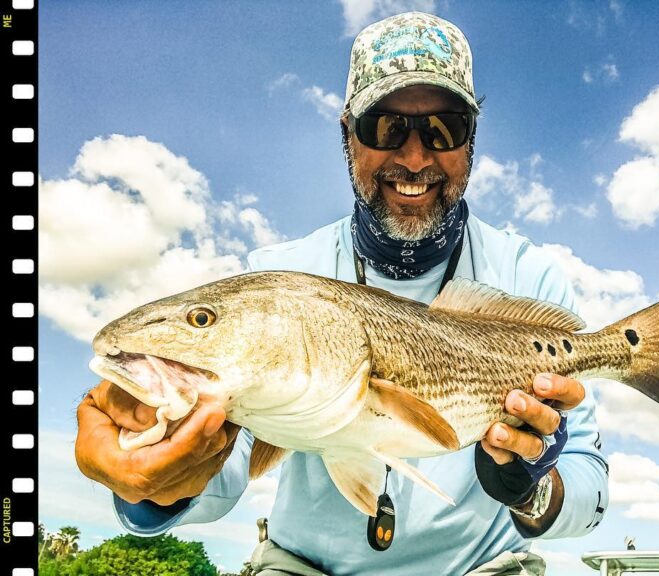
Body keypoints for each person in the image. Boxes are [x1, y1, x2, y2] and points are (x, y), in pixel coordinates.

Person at [75, 12, 608, 576]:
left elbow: (590, 484)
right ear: (348, 133)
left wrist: (531, 490)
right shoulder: (279, 273)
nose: (414, 157)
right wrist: (149, 482)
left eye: (444, 128)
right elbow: (223, 474)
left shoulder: (531, 278)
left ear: (471, 141)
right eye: (384, 125)